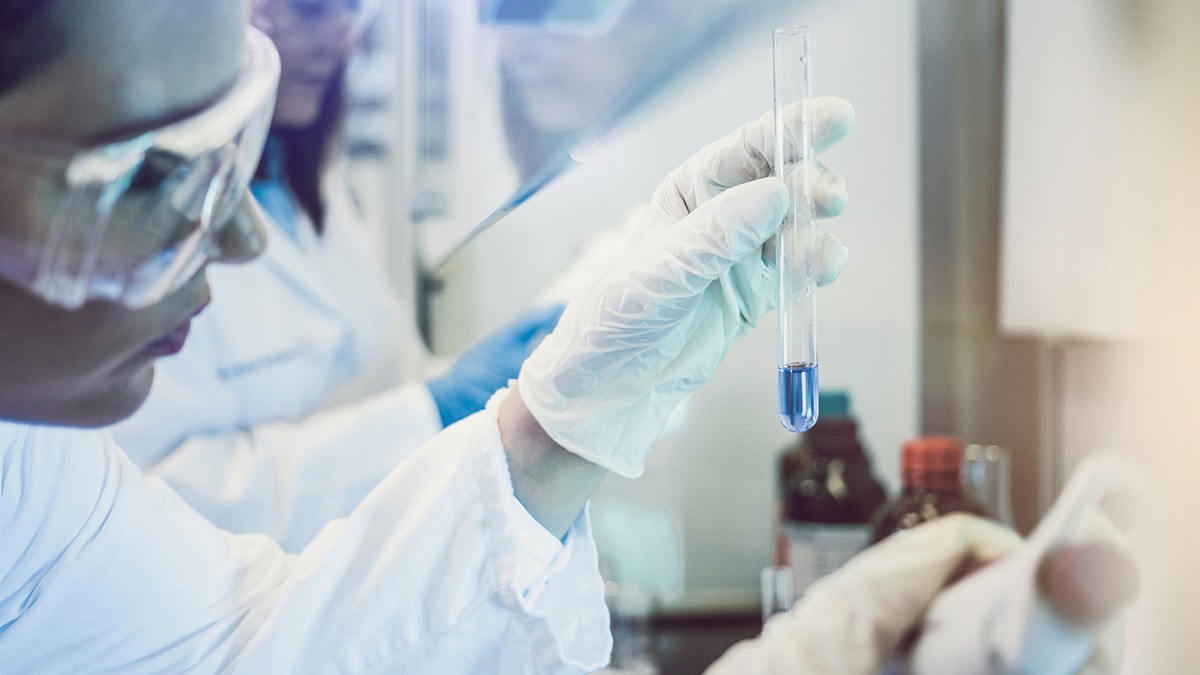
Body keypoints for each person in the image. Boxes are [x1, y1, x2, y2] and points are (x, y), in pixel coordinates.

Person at [0, 0, 857, 670]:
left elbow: (239, 644)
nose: (242, 242)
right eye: (155, 172)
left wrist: (557, 427)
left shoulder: (33, 470)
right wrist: (445, 403)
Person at [109, 0, 566, 552]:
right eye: (311, 8)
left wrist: (486, 399)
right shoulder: (127, 220)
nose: (343, 39)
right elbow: (161, 494)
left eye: (352, 12)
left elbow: (391, 371)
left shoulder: (312, 189)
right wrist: (433, 411)